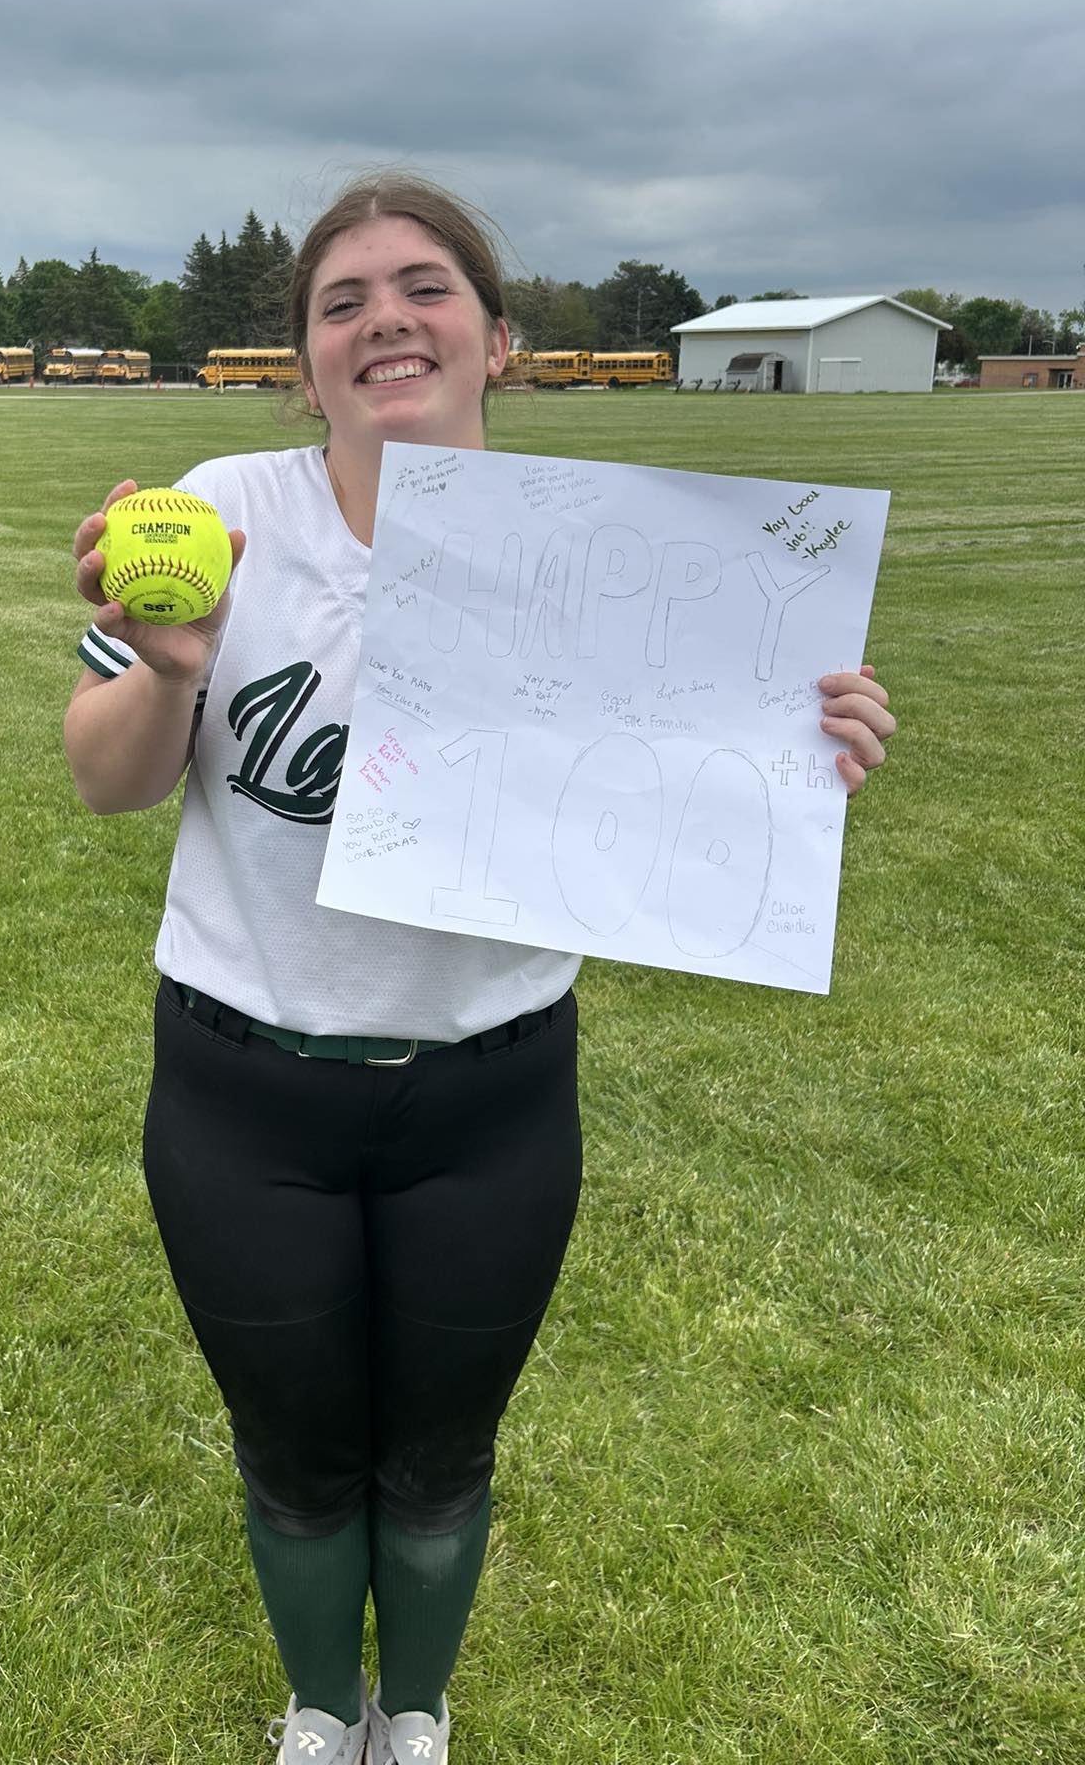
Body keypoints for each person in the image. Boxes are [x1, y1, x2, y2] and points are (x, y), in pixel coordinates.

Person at [64, 174, 896, 1764]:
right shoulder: (223, 509)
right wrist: (172, 671)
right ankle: (324, 1712)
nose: (386, 317)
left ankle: (419, 1713)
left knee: (441, 1459)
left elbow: (704, 767)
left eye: (425, 287)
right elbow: (108, 782)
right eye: (343, 301)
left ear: (499, 339)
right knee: (298, 1456)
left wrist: (807, 740)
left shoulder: (614, 553)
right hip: (245, 1086)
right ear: (305, 362)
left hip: (491, 1095)